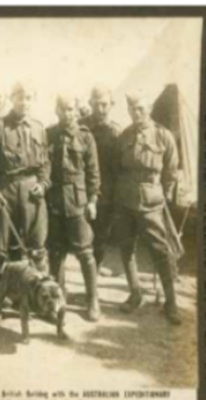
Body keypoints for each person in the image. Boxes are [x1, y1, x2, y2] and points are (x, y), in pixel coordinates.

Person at [0, 81, 50, 328]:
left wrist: (43, 183)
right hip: (5, 192)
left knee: (37, 251)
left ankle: (38, 302)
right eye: (20, 97)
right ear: (12, 98)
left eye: (29, 97)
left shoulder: (39, 128)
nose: (24, 102)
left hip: (32, 195)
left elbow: (45, 165)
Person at [110, 92, 182, 325]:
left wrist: (165, 197)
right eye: (132, 109)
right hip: (125, 201)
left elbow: (171, 171)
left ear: (149, 107)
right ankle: (135, 293)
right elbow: (118, 168)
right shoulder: (124, 135)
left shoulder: (163, 135)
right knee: (126, 248)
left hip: (151, 203)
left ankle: (171, 302)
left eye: (140, 108)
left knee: (161, 251)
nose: (136, 113)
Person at [46, 94, 101, 321]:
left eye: (71, 109)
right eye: (63, 109)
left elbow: (94, 174)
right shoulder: (49, 135)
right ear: (56, 110)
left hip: (78, 202)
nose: (67, 113)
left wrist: (92, 201)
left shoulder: (86, 137)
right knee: (56, 252)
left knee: (85, 252)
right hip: (55, 201)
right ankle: (59, 298)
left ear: (77, 111)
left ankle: (93, 300)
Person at [80, 86, 123, 273]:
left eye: (105, 104)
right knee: (79, 233)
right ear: (90, 103)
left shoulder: (117, 133)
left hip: (106, 194)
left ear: (111, 105)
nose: (101, 109)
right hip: (81, 190)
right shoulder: (80, 127)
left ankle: (95, 271)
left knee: (101, 237)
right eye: (97, 104)